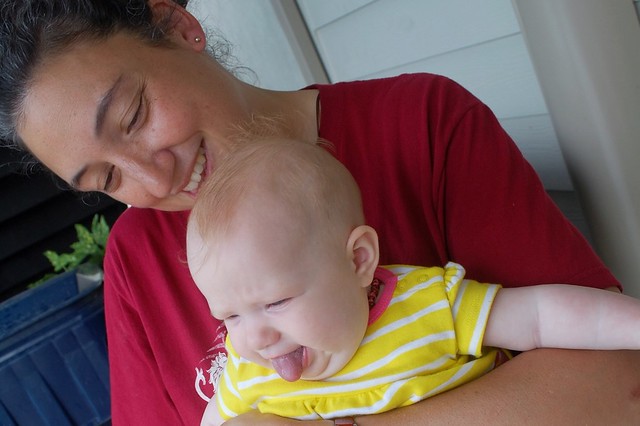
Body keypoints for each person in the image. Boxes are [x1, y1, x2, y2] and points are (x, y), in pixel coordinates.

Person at [1, 0, 638, 424]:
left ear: (176, 26)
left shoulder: (419, 126)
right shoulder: (137, 263)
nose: (154, 177)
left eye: (134, 115)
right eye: (107, 178)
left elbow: (618, 386)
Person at [186, 137, 640, 424]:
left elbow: (539, 317)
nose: (255, 338)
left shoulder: (427, 305)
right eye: (230, 317)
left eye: (276, 302)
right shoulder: (246, 370)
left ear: (359, 260)